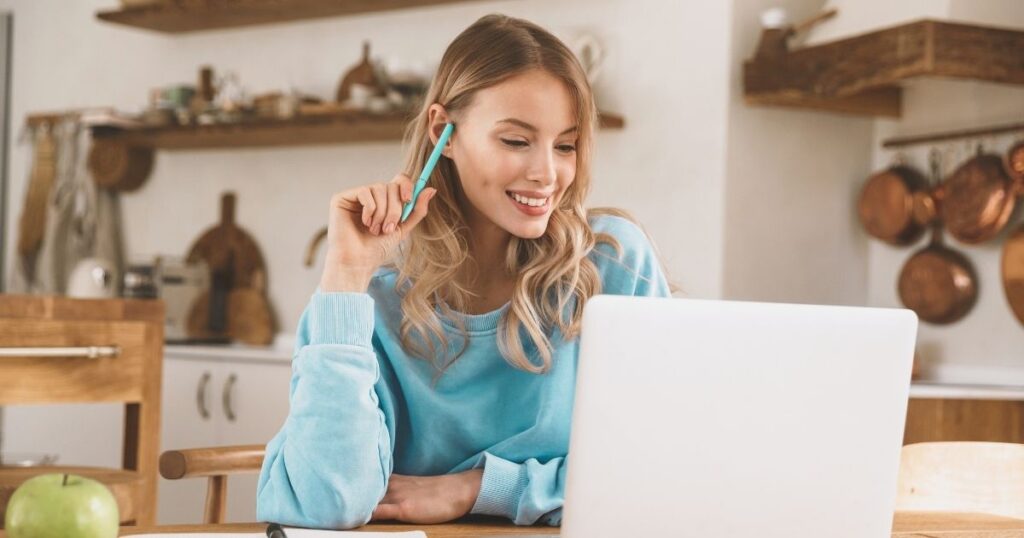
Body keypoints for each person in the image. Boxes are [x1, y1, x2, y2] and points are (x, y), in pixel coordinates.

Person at [256, 13, 676, 530]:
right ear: (443, 132)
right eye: (517, 141)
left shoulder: (612, 264)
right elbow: (326, 504)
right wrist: (346, 275)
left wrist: (477, 488)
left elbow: (659, 471)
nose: (547, 172)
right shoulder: (374, 299)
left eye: (565, 145)